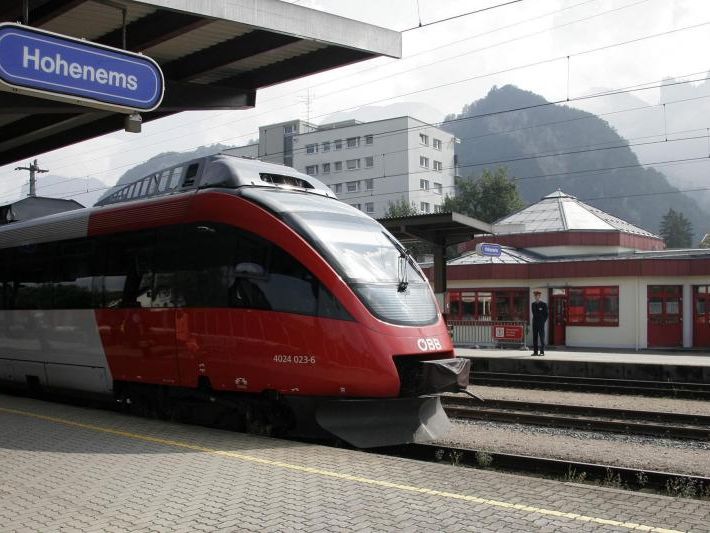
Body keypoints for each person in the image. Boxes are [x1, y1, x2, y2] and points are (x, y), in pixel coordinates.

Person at [531, 290, 548, 356]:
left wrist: (543, 321)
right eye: (535, 296)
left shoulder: (544, 304)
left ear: (539, 296)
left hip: (541, 323)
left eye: (536, 295)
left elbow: (546, 314)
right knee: (535, 337)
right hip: (535, 322)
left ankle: (542, 351)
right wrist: (539, 313)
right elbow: (534, 313)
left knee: (541, 337)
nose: (535, 297)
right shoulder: (533, 304)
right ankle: (535, 352)